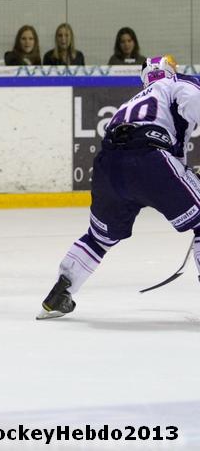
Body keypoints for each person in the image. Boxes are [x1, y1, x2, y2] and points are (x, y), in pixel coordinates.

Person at [38, 55, 200, 319]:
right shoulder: (177, 83)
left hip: (109, 167)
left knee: (99, 238)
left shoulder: (132, 102)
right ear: (169, 70)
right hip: (151, 162)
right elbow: (193, 102)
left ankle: (60, 293)